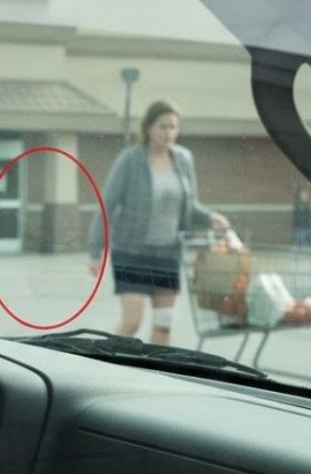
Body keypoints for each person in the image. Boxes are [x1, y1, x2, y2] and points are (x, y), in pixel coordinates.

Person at [88, 100, 229, 343]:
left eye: (173, 127)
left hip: (167, 254)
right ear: (148, 128)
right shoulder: (131, 159)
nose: (168, 133)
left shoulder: (183, 159)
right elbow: (106, 205)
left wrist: (210, 218)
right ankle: (102, 361)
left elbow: (189, 206)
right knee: (132, 323)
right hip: (131, 253)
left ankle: (154, 366)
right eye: (163, 126)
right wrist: (95, 251)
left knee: (163, 326)